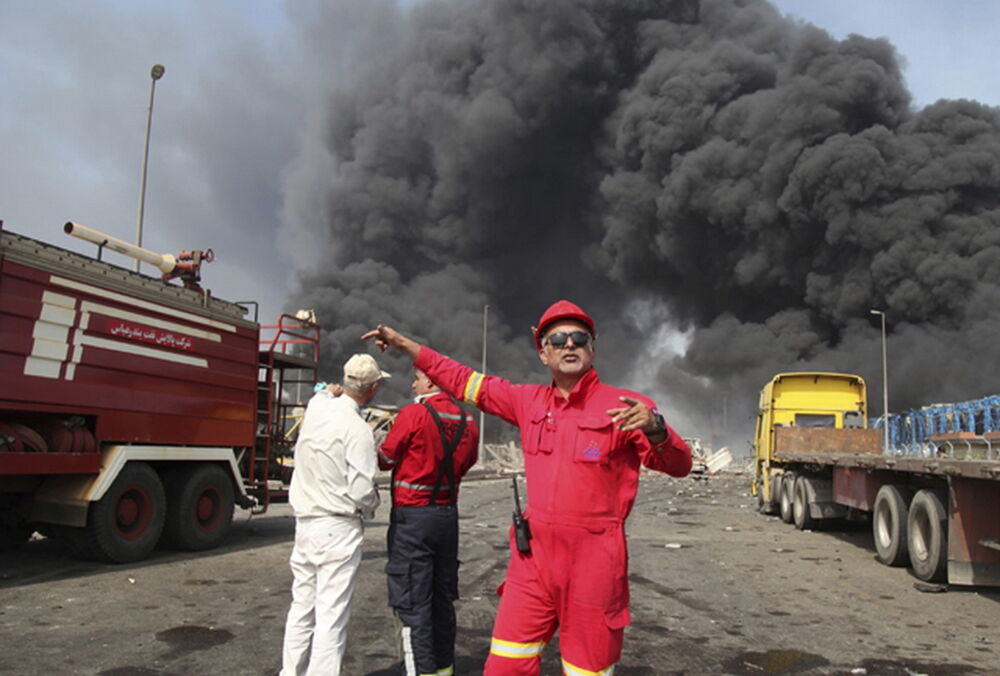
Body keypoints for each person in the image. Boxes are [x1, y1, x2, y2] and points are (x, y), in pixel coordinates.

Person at [363, 299, 691, 676]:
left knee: (586, 671)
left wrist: (656, 428)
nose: (569, 344)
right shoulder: (527, 402)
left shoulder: (627, 407)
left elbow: (680, 466)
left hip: (594, 567)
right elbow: (464, 379)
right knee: (504, 667)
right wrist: (406, 346)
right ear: (543, 354)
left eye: (579, 338)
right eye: (558, 340)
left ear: (593, 348)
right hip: (532, 564)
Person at [280, 353, 389, 676]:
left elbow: (324, 393)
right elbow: (360, 491)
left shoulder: (316, 408)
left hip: (305, 524)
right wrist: (374, 502)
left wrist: (330, 391)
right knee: (332, 615)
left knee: (302, 607)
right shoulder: (358, 429)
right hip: (338, 527)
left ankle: (290, 673)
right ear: (372, 389)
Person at [378, 368, 480, 676]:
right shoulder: (469, 421)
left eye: (417, 378)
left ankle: (422, 671)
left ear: (432, 382)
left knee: (413, 603)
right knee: (442, 599)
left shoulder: (414, 414)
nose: (413, 383)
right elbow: (468, 462)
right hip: (447, 518)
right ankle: (443, 669)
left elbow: (386, 457)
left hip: (413, 519)